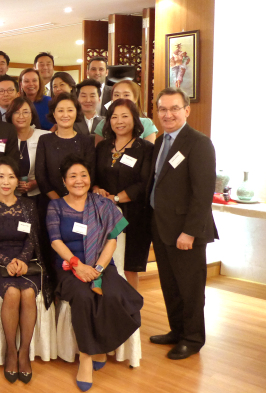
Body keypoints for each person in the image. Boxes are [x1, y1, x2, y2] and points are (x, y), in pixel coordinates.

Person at [47, 154, 142, 392]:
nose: (78, 181)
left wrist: (98, 268)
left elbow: (112, 240)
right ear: (64, 181)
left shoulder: (104, 204)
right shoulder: (55, 206)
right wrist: (79, 265)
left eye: (83, 175)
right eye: (72, 176)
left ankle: (101, 348)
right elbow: (55, 242)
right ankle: (87, 357)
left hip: (101, 265)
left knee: (112, 295)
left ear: (90, 178)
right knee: (83, 296)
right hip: (69, 268)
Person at [148, 88, 217, 360]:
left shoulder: (198, 143)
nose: (168, 114)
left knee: (190, 289)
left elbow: (203, 194)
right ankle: (176, 331)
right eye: (163, 109)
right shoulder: (159, 142)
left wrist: (189, 232)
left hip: (185, 232)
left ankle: (193, 338)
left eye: (174, 108)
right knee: (171, 286)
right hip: (161, 227)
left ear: (186, 110)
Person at [0, 157, 51, 384]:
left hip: (26, 261)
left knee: (27, 293)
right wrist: (7, 260)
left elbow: (32, 238)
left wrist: (21, 260)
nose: (6, 182)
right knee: (11, 293)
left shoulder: (28, 205)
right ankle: (10, 351)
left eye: (11, 176)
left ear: (18, 180)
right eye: (1, 176)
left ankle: (24, 352)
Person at [92, 99, 153, 290]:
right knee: (104, 264)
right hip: (102, 214)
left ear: (135, 119)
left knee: (128, 267)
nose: (119, 121)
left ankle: (132, 312)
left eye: (125, 116)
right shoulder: (102, 147)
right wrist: (96, 189)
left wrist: (116, 198)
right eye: (114, 117)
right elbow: (91, 176)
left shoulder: (146, 148)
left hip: (134, 215)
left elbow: (145, 183)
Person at [36, 92, 95, 201]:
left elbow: (91, 174)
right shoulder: (44, 140)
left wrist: (72, 202)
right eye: (60, 110)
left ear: (76, 112)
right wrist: (59, 202)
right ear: (54, 114)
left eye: (70, 110)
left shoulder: (86, 141)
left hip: (80, 201)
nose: (65, 115)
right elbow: (41, 177)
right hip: (50, 202)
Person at [4, 97, 49, 200]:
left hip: (40, 195)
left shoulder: (45, 137)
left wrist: (36, 183)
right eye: (16, 112)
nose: (21, 116)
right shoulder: (3, 137)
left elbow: (51, 168)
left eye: (25, 112)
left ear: (32, 114)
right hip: (9, 196)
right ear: (10, 115)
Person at [93, 80, 158, 145]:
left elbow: (150, 151)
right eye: (116, 95)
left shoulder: (147, 124)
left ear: (135, 98)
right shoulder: (103, 124)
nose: (121, 98)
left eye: (126, 95)